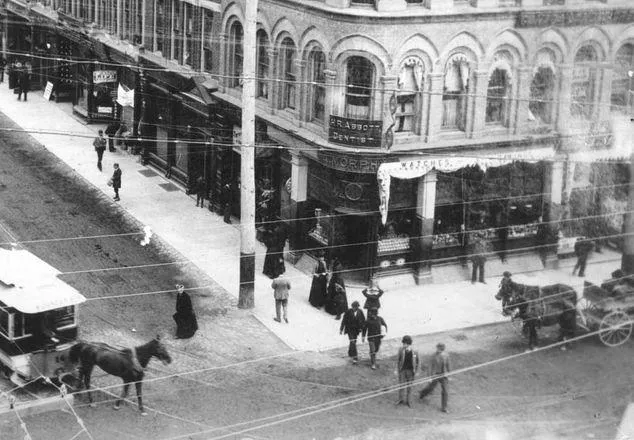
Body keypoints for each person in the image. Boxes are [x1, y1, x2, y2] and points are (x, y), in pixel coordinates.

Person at [419, 342, 451, 413]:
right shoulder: (433, 356)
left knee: (445, 391)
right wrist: (429, 377)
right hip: (435, 374)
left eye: (440, 349)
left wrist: (448, 374)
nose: (438, 350)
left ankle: (444, 408)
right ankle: (422, 394)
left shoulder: (446, 355)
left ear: (442, 350)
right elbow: (430, 367)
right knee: (430, 387)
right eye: (437, 349)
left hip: (443, 375)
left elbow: (448, 365)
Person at [395, 335, 419, 407]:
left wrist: (417, 371)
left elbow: (418, 362)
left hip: (411, 371)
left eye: (404, 343)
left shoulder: (415, 351)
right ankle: (400, 399)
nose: (403, 345)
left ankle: (409, 401)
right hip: (402, 371)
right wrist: (396, 370)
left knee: (410, 387)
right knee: (401, 385)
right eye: (403, 343)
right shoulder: (401, 350)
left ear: (408, 343)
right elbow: (398, 360)